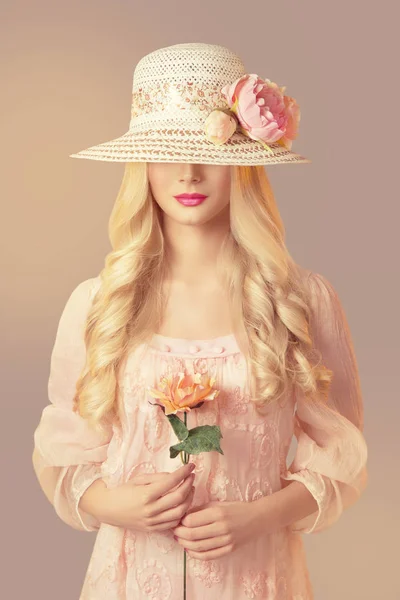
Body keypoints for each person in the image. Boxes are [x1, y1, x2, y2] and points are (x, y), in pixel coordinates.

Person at [32, 42, 368, 600]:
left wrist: (260, 515)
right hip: (129, 578)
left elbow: (340, 454)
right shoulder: (99, 304)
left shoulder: (299, 300)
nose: (189, 173)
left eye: (208, 153)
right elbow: (64, 450)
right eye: (167, 153)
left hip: (256, 577)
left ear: (243, 163)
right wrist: (113, 503)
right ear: (142, 166)